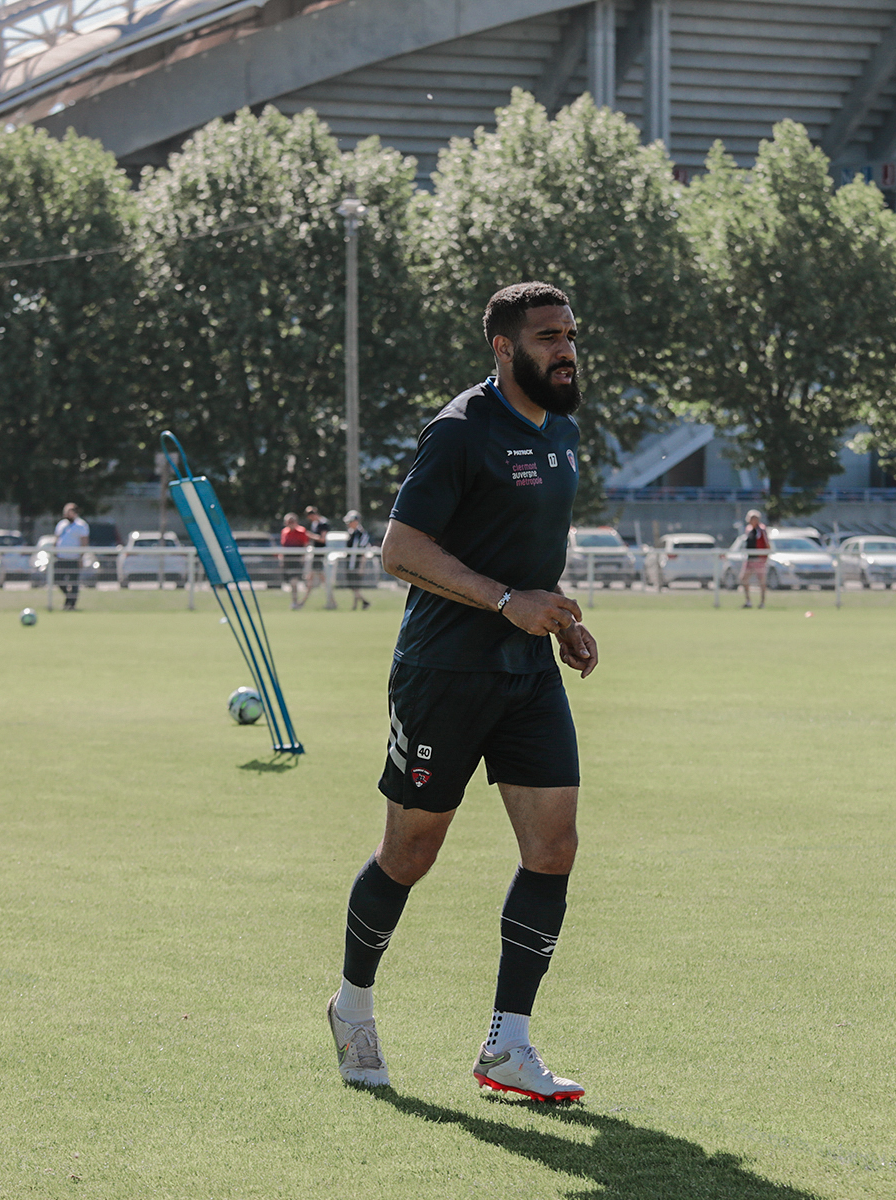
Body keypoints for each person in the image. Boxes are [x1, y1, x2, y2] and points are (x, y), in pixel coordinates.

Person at [326, 281, 600, 1102]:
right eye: (548, 336)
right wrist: (505, 601)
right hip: (443, 675)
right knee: (411, 855)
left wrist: (554, 617)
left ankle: (507, 1046)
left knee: (554, 848)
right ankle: (352, 1005)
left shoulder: (564, 431)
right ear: (503, 348)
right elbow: (400, 549)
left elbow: (524, 552)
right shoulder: (459, 432)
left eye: (571, 335)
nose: (566, 350)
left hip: (526, 674)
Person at [54, 503, 89, 610]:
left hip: (74, 558)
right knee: (57, 579)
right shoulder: (61, 524)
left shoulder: (81, 525)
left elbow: (84, 542)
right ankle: (68, 597)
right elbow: (56, 539)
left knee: (74, 582)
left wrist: (81, 557)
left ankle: (71, 605)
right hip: (61, 558)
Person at [279, 513, 310, 609]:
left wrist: (303, 559)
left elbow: (305, 545)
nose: (290, 524)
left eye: (292, 522)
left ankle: (296, 601)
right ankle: (295, 601)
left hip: (297, 560)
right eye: (288, 522)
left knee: (294, 582)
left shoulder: (301, 531)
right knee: (292, 583)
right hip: (288, 560)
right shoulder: (284, 532)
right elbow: (283, 547)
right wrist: (281, 559)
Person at [343, 509, 372, 610]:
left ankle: (362, 603)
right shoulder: (351, 533)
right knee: (353, 586)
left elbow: (364, 551)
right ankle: (358, 604)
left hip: (357, 564)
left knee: (355, 586)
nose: (348, 524)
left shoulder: (361, 534)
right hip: (350, 564)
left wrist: (361, 567)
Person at [739, 509, 769, 607]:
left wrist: (765, 557)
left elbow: (767, 544)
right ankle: (748, 601)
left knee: (761, 581)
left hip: (759, 559)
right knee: (743, 578)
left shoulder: (762, 529)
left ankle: (762, 602)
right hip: (749, 558)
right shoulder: (748, 529)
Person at [305, 506, 332, 604]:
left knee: (314, 578)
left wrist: (309, 535)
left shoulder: (323, 523)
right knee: (313, 577)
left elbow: (323, 539)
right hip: (316, 554)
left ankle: (331, 600)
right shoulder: (315, 524)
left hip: (321, 554)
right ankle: (331, 600)